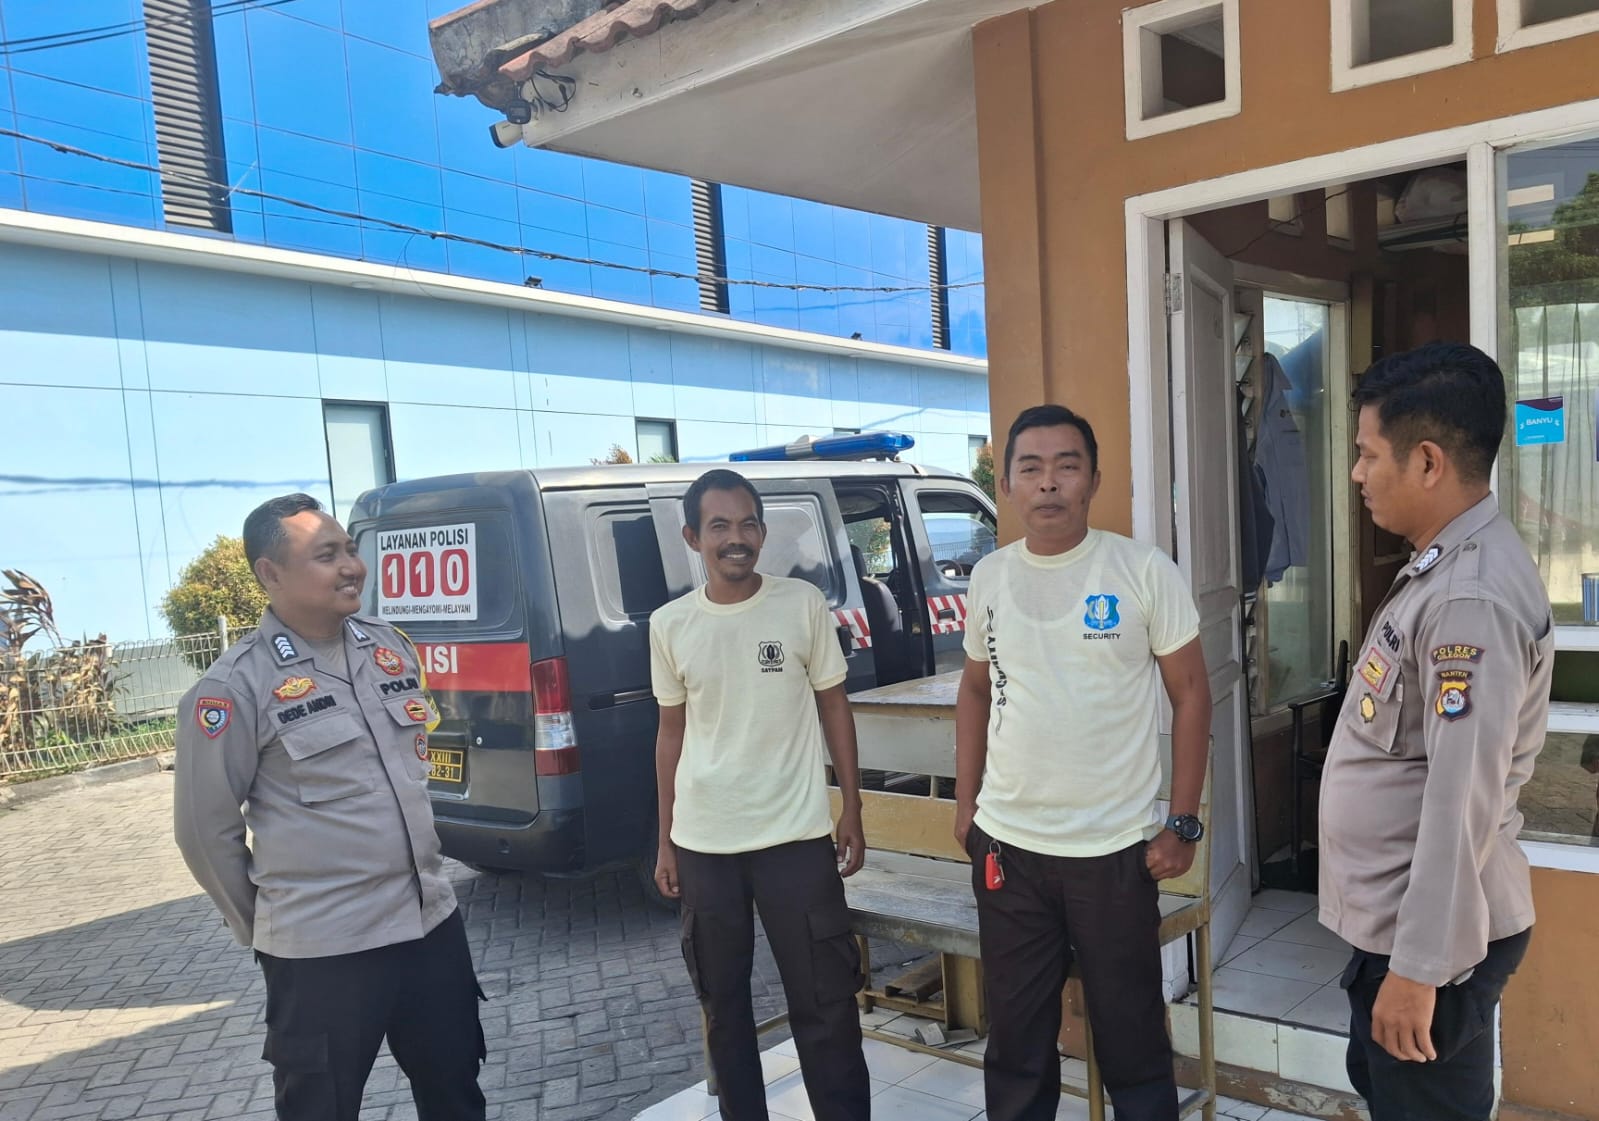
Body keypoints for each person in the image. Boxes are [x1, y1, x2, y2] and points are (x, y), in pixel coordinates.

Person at [173, 494, 485, 1121]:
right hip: (323, 948)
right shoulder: (235, 686)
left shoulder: (389, 647)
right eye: (326, 555)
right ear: (271, 573)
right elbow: (204, 831)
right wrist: (269, 926)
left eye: (350, 550)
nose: (351, 566)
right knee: (321, 1107)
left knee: (456, 1090)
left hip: (428, 924)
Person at [954, 405, 1212, 1121]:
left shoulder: (1141, 571)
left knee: (1132, 1040)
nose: (1049, 483)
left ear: (1093, 479)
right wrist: (966, 807)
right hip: (1008, 850)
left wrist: (1182, 823)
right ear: (1005, 483)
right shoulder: (990, 577)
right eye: (1030, 468)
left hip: (1113, 853)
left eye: (1066, 466)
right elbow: (974, 689)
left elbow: (1192, 695)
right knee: (1017, 1045)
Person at [1320, 342, 1553, 1121]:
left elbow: (1461, 802)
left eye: (1366, 453)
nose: (1357, 473)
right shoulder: (1443, 566)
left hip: (1429, 943)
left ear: (1425, 461)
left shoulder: (1467, 599)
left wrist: (1419, 969)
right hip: (1407, 925)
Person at [649, 469, 870, 1121]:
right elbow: (669, 733)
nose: (736, 538)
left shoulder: (801, 604)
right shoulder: (669, 624)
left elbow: (834, 706)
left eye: (748, 523)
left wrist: (852, 806)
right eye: (718, 525)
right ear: (693, 537)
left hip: (795, 839)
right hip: (704, 844)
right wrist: (665, 839)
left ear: (764, 533)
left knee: (826, 1005)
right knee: (724, 1010)